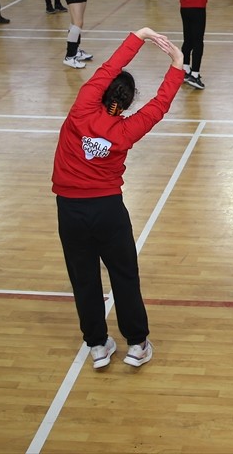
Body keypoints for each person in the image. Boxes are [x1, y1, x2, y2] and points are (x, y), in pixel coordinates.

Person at [53, 26, 187, 370]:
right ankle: (137, 345)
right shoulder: (127, 129)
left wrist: (138, 36)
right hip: (108, 211)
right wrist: (177, 63)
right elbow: (159, 106)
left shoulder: (82, 107)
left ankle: (97, 345)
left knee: (83, 278)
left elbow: (108, 68)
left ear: (101, 94)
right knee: (124, 276)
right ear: (127, 103)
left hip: (70, 210)